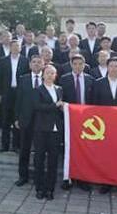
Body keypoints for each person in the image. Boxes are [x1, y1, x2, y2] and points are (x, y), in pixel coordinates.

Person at [91, 57, 117, 196]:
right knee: (105, 155)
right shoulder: (98, 83)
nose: (113, 69)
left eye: (116, 66)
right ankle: (105, 182)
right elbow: (94, 104)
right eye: (111, 66)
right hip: (104, 126)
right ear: (107, 67)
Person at [57, 53, 94, 192]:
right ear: (71, 65)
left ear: (84, 65)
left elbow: (93, 100)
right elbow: (61, 99)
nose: (78, 66)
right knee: (68, 148)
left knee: (84, 149)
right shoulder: (64, 79)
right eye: (75, 64)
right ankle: (68, 178)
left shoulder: (90, 79)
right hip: (70, 120)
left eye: (80, 64)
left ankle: (82, 179)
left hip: (86, 121)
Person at [32, 64, 64, 200]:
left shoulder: (59, 89)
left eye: (52, 73)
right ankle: (39, 188)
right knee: (39, 159)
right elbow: (37, 106)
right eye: (48, 73)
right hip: (41, 129)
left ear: (55, 75)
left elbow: (59, 108)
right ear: (43, 75)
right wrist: (55, 105)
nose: (50, 75)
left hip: (56, 130)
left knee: (53, 161)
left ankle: (50, 189)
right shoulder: (37, 90)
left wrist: (62, 108)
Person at [14, 55, 44, 187]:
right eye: (34, 62)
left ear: (43, 64)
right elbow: (18, 100)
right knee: (24, 149)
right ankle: (23, 176)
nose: (36, 64)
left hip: (41, 120)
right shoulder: (23, 79)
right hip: (25, 120)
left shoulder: (47, 78)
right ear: (30, 65)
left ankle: (38, 177)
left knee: (40, 150)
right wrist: (16, 118)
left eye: (39, 62)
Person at [0, 40, 30, 152]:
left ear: (20, 48)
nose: (15, 48)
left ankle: (16, 145)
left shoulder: (25, 61)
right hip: (7, 93)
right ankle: (4, 145)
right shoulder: (3, 61)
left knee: (17, 119)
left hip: (20, 93)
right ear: (10, 48)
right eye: (13, 46)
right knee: (5, 120)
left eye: (18, 46)